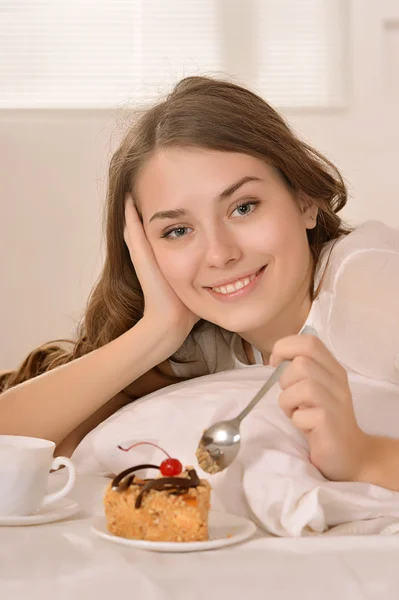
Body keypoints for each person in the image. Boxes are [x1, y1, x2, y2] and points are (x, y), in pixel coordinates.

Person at [0, 76, 398, 490]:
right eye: (177, 231)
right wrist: (158, 331)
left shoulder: (371, 284)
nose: (219, 253)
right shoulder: (205, 342)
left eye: (244, 207)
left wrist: (363, 458)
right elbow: (16, 442)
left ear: (304, 201)